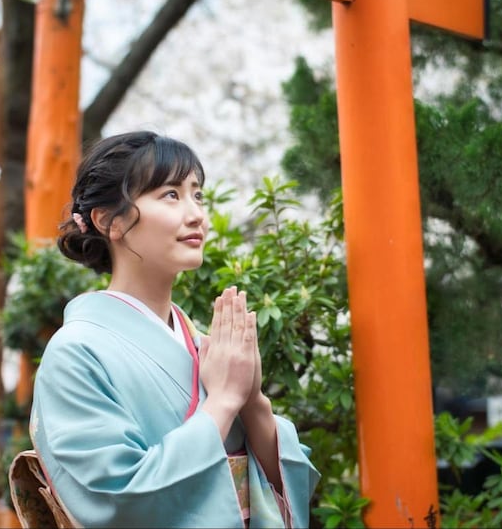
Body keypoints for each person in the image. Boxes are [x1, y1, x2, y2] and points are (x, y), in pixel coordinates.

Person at [28, 131, 320, 528]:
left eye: (196, 194)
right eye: (170, 194)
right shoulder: (76, 352)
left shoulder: (204, 346)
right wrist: (221, 403)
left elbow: (283, 483)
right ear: (108, 221)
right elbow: (118, 500)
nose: (197, 213)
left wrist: (252, 402)